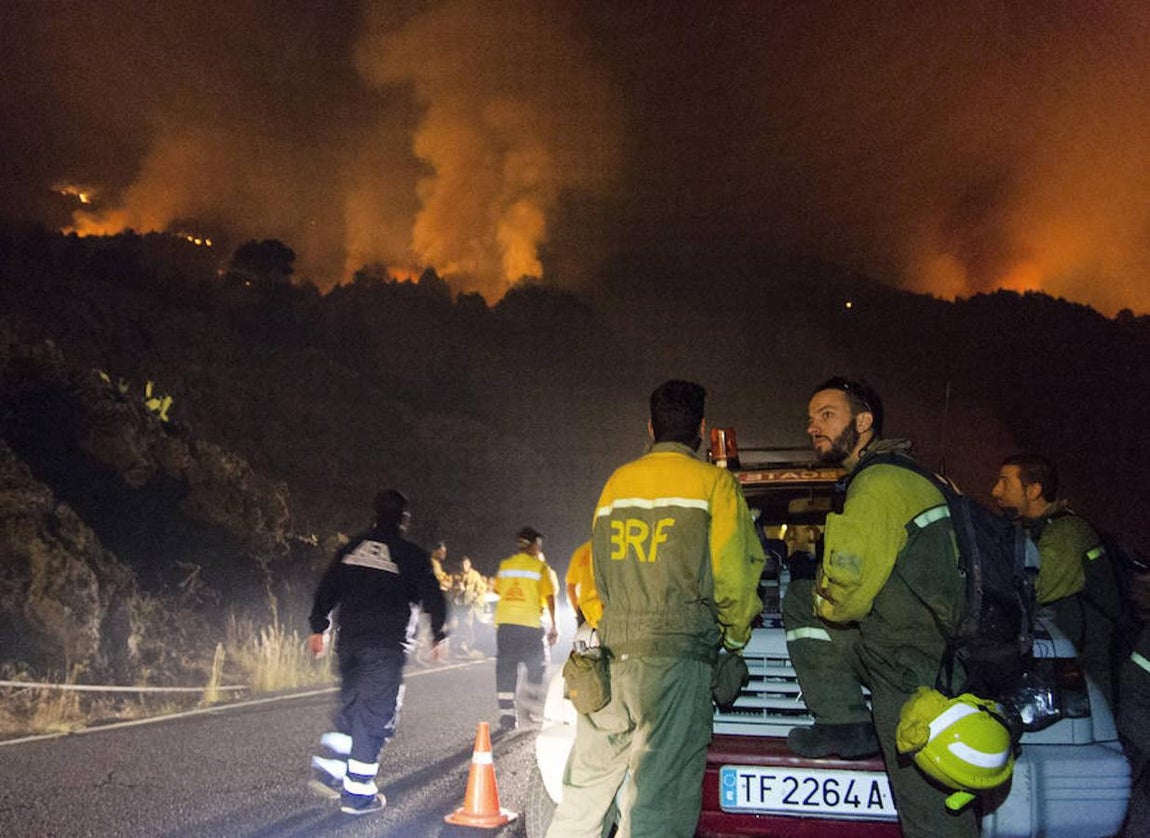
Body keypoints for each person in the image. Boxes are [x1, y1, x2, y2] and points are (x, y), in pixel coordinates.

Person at [547, 379, 764, 838]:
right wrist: (735, 639)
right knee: (657, 803)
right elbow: (734, 578)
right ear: (701, 429)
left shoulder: (616, 485)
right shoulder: (714, 483)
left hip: (611, 657)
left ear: (650, 427)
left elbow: (596, 572)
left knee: (585, 794)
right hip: (675, 663)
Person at [784, 377, 976, 838]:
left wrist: (819, 592)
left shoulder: (875, 486)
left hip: (910, 670)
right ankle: (849, 725)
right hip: (936, 655)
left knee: (929, 812)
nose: (814, 427)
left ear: (864, 422)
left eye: (827, 415)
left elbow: (844, 593)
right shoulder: (911, 475)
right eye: (811, 419)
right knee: (940, 800)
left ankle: (845, 723)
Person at [306, 489, 447, 816]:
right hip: (385, 646)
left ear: (374, 514)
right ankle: (357, 796)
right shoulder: (410, 555)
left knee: (352, 704)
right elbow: (432, 596)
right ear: (404, 520)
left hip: (350, 643)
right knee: (375, 716)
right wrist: (438, 634)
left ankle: (330, 775)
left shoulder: (353, 548)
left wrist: (318, 627)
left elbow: (328, 587)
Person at [991, 452, 1121, 704]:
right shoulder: (1033, 529)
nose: (996, 491)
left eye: (1005, 482)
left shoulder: (1066, 533)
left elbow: (1033, 588)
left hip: (1086, 668)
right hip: (1062, 657)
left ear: (1034, 490)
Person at [493, 526, 559, 732]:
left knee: (506, 669)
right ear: (534, 545)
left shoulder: (505, 565)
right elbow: (550, 596)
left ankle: (507, 716)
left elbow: (498, 589)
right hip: (530, 626)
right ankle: (530, 704)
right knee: (538, 665)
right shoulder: (540, 568)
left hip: (505, 626)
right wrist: (554, 626)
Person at [448, 555, 487, 657]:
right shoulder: (455, 575)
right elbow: (448, 588)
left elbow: (482, 588)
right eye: (462, 564)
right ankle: (454, 647)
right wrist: (457, 589)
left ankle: (465, 646)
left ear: (469, 564)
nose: (464, 566)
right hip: (457, 605)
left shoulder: (475, 575)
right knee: (454, 625)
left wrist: (476, 597)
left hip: (468, 605)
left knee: (467, 625)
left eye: (466, 563)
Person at [565, 539, 602, 629]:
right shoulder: (616, 551)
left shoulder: (580, 552)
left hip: (587, 614)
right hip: (611, 612)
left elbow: (570, 588)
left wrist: (579, 613)